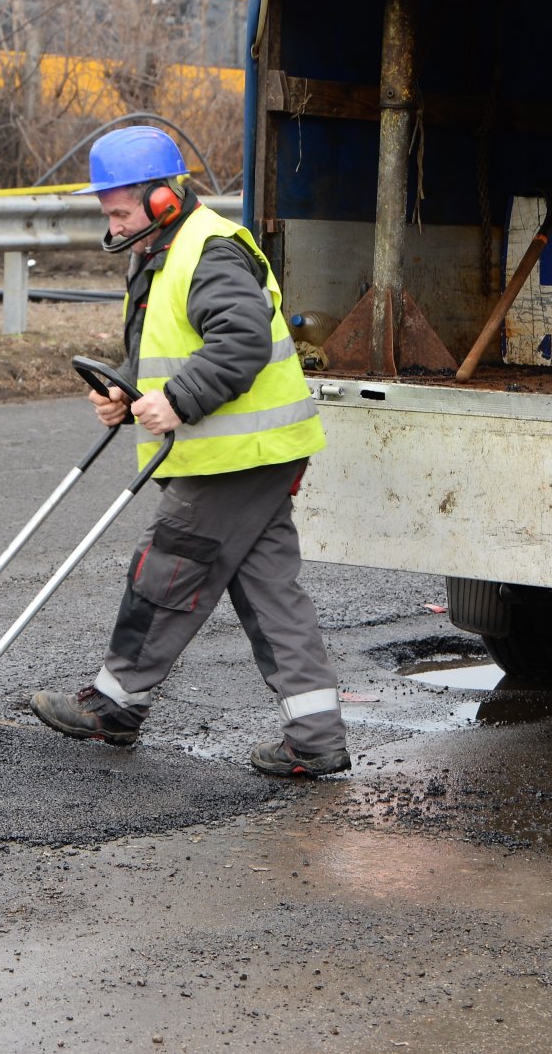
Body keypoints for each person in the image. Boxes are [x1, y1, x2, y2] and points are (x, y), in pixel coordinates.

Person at [29, 126, 350, 778]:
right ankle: (315, 737)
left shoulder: (211, 251)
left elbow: (239, 344)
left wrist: (176, 400)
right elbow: (168, 339)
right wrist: (125, 389)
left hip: (235, 455)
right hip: (253, 452)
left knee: (166, 569)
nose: (112, 224)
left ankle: (115, 705)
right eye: (108, 213)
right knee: (269, 593)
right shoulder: (163, 252)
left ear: (162, 199)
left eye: (120, 211)